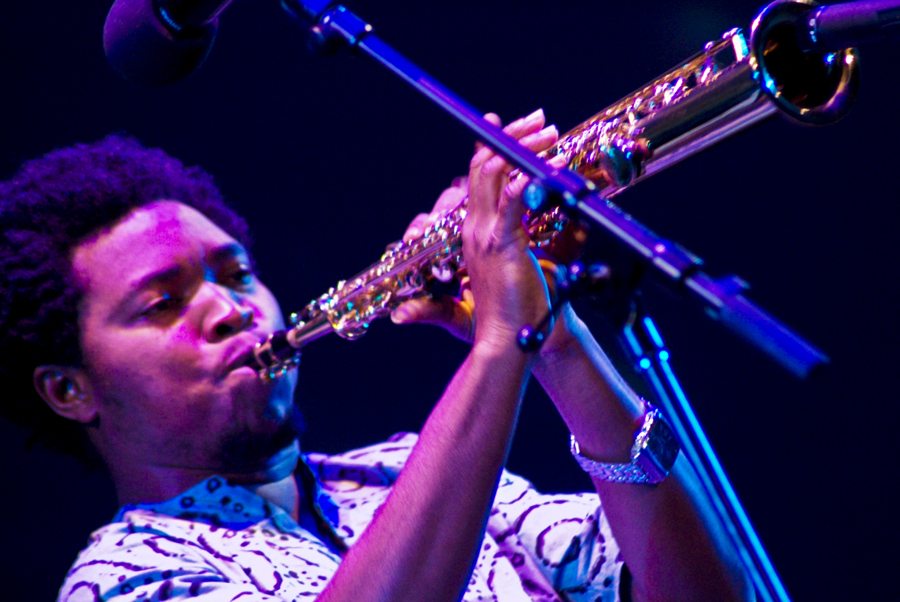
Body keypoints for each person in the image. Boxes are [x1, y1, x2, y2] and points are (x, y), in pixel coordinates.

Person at [0, 110, 751, 602]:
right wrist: (499, 344)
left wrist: (556, 338)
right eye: (163, 304)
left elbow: (707, 594)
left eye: (237, 275)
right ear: (70, 389)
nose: (229, 308)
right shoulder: (120, 577)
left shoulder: (394, 470)